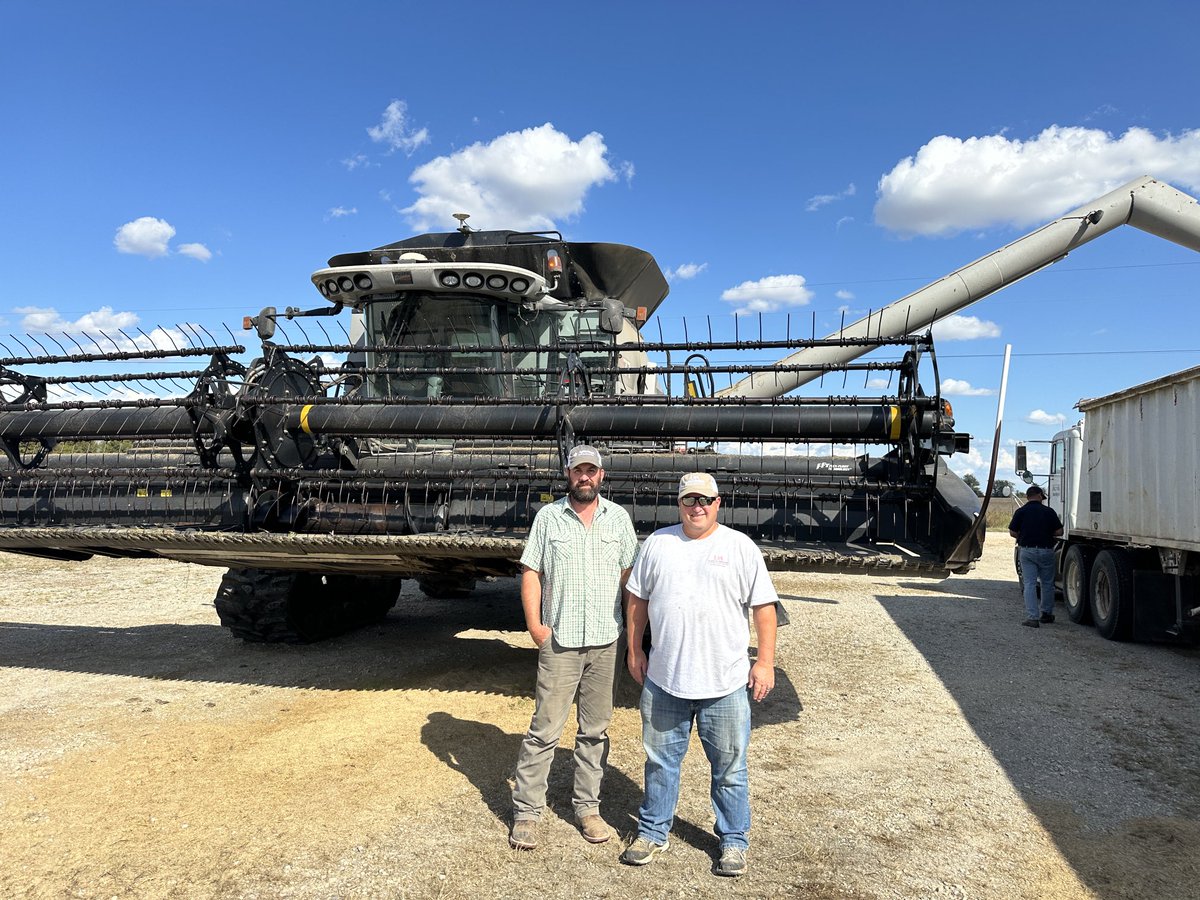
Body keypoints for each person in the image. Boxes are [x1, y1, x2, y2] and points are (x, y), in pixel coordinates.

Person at [620, 472, 778, 878]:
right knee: (659, 763)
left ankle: (734, 840)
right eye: (690, 500)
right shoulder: (658, 544)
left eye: (705, 500)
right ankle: (652, 831)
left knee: (729, 769)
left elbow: (764, 608)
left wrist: (764, 661)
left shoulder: (740, 548)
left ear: (718, 503)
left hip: (723, 685)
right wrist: (634, 648)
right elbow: (637, 599)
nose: (698, 507)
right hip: (665, 680)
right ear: (679, 503)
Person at [509, 444, 638, 850]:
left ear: (602, 476)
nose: (585, 477)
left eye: (592, 471)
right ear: (568, 474)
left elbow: (631, 579)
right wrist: (535, 626)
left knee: (595, 731)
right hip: (560, 641)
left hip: (605, 640)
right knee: (544, 730)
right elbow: (532, 571)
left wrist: (633, 636)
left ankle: (587, 808)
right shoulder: (549, 518)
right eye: (578, 471)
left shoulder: (618, 519)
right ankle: (527, 813)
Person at [1008, 484, 1064, 627]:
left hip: (1027, 551)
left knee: (1030, 584)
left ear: (1027, 496)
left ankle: (1033, 618)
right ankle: (1047, 613)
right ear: (1039, 495)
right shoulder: (1049, 511)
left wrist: (1023, 534)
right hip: (1046, 550)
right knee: (1047, 583)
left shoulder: (1021, 512)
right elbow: (1059, 532)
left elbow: (1013, 532)